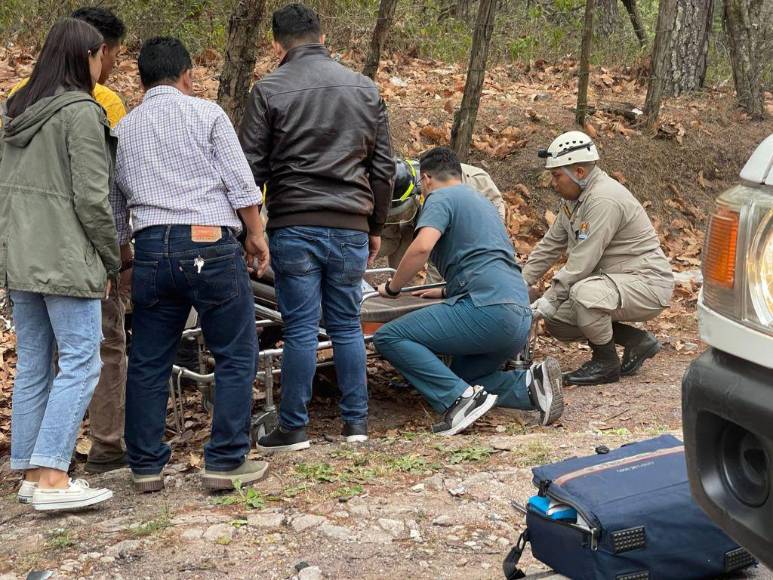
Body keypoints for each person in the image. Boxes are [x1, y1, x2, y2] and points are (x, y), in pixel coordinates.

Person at [111, 37, 269, 492]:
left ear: (140, 81)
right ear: (187, 76)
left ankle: (145, 466)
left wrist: (125, 261)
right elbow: (241, 183)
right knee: (235, 354)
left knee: (148, 360)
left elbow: (117, 206)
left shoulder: (123, 129)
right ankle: (224, 460)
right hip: (209, 243)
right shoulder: (206, 113)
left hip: (150, 250)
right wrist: (256, 235)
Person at [239, 3, 394, 451]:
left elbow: (251, 167)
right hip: (350, 222)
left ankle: (295, 427)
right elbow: (382, 168)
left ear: (276, 43)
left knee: (302, 326)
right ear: (323, 37)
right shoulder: (365, 89)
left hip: (294, 223)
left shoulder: (269, 89)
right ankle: (357, 424)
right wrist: (375, 224)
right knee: (346, 324)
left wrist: (252, 230)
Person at [0, 17, 119, 511]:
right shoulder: (80, 113)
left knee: (34, 364)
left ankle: (30, 470)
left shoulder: (16, 112)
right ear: (86, 57)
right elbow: (93, 199)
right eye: (99, 56)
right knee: (81, 361)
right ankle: (53, 474)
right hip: (66, 258)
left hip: (19, 256)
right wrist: (112, 258)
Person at [373, 147, 564, 436]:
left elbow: (422, 247)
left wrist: (392, 286)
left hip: (487, 309)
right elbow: (485, 257)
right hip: (518, 314)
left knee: (389, 336)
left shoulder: (440, 197)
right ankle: (528, 385)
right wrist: (447, 289)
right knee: (461, 377)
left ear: (426, 179)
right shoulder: (483, 203)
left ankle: (458, 402)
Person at [524, 131, 674, 386]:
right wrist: (517, 282)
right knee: (557, 319)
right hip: (615, 281)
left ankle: (605, 363)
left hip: (647, 283)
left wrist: (548, 298)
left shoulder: (603, 199)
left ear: (579, 172)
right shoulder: (575, 201)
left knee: (583, 294)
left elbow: (581, 263)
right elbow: (549, 246)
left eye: (557, 175)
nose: (553, 183)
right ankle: (636, 341)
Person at [380, 158, 506, 282]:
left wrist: (428, 294)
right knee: (405, 235)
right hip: (426, 203)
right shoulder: (394, 180)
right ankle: (404, 290)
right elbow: (388, 238)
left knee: (443, 252)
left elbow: (427, 247)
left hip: (480, 213)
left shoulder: (439, 198)